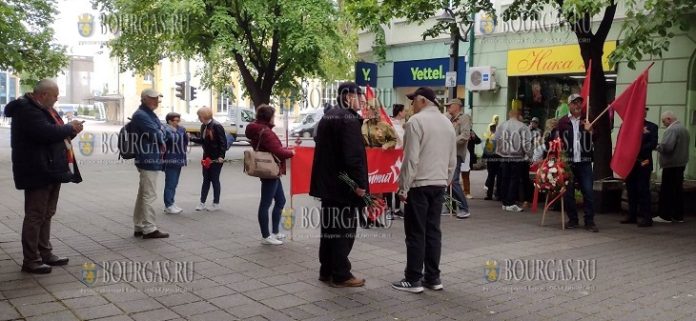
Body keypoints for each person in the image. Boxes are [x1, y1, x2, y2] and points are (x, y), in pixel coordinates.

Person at [4, 79, 83, 273]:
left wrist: (72, 131)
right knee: (35, 215)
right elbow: (45, 133)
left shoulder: (46, 109)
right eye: (55, 95)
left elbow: (56, 136)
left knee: (47, 213)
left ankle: (45, 253)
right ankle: (31, 260)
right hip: (36, 170)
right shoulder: (27, 110)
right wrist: (69, 127)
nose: (57, 99)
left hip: (51, 168)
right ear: (44, 94)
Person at [392, 87, 456, 293]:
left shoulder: (415, 122)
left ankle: (412, 279)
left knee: (415, 232)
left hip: (419, 184)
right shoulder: (447, 123)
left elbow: (411, 158)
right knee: (433, 231)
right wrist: (445, 179)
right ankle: (433, 277)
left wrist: (403, 187)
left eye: (413, 101)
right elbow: (452, 159)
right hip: (438, 183)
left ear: (421, 101)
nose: (411, 105)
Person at [310, 82, 368, 288]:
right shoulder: (348, 119)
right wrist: (359, 184)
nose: (362, 100)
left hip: (328, 185)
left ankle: (326, 270)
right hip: (344, 187)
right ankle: (341, 274)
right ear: (347, 97)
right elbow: (352, 157)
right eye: (358, 96)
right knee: (344, 230)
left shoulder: (330, 115)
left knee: (329, 230)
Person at [246, 105, 295, 245]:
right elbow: (278, 152)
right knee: (265, 203)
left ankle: (275, 232)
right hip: (270, 171)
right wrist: (291, 152)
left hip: (270, 170)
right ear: (269, 117)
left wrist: (284, 149)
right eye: (274, 115)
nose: (275, 117)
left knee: (281, 201)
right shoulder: (266, 131)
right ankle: (266, 236)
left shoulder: (256, 128)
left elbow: (272, 148)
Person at [557, 94, 598, 232]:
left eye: (579, 103)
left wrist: (591, 130)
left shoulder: (587, 120)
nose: (577, 106)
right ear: (569, 105)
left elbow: (597, 137)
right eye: (574, 103)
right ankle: (573, 220)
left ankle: (589, 221)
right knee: (568, 193)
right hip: (568, 163)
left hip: (584, 162)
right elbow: (558, 141)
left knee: (588, 192)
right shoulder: (562, 122)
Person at [131, 88, 169, 239]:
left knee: (143, 194)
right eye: (152, 98)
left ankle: (139, 225)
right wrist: (162, 130)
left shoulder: (148, 114)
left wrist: (162, 130)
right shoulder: (141, 115)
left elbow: (161, 131)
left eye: (157, 99)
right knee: (149, 195)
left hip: (149, 157)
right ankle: (149, 228)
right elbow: (158, 135)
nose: (156, 101)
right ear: (144, 99)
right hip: (148, 158)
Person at [361, 99, 398, 227]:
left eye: (370, 108)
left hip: (380, 161)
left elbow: (394, 140)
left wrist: (386, 146)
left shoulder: (384, 125)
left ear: (376, 110)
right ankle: (366, 218)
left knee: (378, 191)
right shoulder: (363, 125)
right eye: (367, 108)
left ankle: (375, 217)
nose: (368, 111)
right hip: (367, 160)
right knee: (368, 190)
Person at [495, 107, 533, 213]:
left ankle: (505, 202)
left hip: (504, 156)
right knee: (514, 179)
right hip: (517, 157)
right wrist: (530, 155)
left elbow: (497, 139)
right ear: (518, 115)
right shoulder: (523, 126)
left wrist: (499, 152)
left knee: (505, 178)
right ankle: (510, 203)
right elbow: (526, 144)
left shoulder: (502, 125)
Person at [622, 116, 658, 227]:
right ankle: (632, 215)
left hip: (644, 162)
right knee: (630, 189)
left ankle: (646, 217)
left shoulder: (652, 127)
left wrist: (637, 148)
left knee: (643, 189)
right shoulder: (628, 126)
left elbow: (652, 143)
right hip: (630, 162)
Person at [655, 111, 690, 223]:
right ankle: (678, 215)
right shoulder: (684, 129)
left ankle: (665, 216)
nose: (663, 123)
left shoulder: (671, 130)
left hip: (671, 164)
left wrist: (656, 146)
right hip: (681, 163)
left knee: (667, 190)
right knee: (677, 190)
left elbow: (667, 147)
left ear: (669, 119)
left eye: (664, 121)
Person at [190, 107, 227, 212]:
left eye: (199, 116)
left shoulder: (217, 126)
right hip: (206, 157)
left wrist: (221, 156)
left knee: (214, 179)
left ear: (205, 116)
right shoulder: (203, 126)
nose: (198, 118)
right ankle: (202, 202)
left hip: (216, 158)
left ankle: (216, 203)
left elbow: (223, 143)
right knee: (206, 179)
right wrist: (190, 138)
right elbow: (203, 140)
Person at [443, 98, 471, 219]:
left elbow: (465, 135)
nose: (448, 107)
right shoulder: (448, 118)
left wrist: (449, 142)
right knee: (446, 181)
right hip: (447, 154)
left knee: (453, 181)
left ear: (457, 106)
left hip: (456, 154)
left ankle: (464, 208)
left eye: (450, 105)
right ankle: (451, 207)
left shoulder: (464, 117)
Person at [162, 112, 188, 214]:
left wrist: (185, 135)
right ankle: (168, 205)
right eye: (175, 121)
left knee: (174, 183)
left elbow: (184, 143)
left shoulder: (181, 129)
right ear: (169, 121)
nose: (177, 123)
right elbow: (165, 143)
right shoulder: (165, 130)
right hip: (170, 159)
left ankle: (171, 203)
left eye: (178, 120)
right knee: (170, 183)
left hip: (179, 159)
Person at [387, 104, 406, 219]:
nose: (406, 113)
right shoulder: (390, 124)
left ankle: (398, 208)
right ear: (399, 112)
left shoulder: (404, 125)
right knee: (389, 183)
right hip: (391, 157)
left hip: (401, 157)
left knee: (399, 183)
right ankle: (389, 209)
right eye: (404, 111)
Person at [483, 115, 501, 200]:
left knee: (491, 177)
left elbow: (486, 150)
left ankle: (489, 194)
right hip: (498, 159)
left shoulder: (490, 138)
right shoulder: (499, 138)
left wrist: (484, 158)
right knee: (498, 177)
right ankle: (497, 194)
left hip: (491, 160)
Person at [461, 129, 481, 198]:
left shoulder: (471, 131)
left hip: (468, 156)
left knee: (466, 175)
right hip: (458, 155)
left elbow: (478, 141)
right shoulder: (458, 129)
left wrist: (473, 136)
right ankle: (453, 193)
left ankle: (467, 192)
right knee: (454, 176)